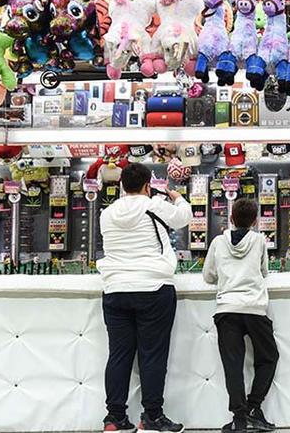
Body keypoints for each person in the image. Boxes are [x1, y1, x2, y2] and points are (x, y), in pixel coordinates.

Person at [97, 162, 191, 433]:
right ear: (148, 185)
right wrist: (177, 197)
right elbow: (184, 218)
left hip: (115, 290)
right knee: (152, 356)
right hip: (153, 288)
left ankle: (114, 418)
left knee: (118, 355)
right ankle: (152, 416)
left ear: (121, 185)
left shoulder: (107, 213)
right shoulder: (153, 205)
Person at [203, 199, 278, 433]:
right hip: (254, 308)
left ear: (231, 219)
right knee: (268, 358)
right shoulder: (259, 241)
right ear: (255, 221)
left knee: (233, 364)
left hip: (227, 310)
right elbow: (264, 272)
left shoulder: (217, 242)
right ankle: (254, 407)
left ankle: (239, 419)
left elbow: (208, 276)